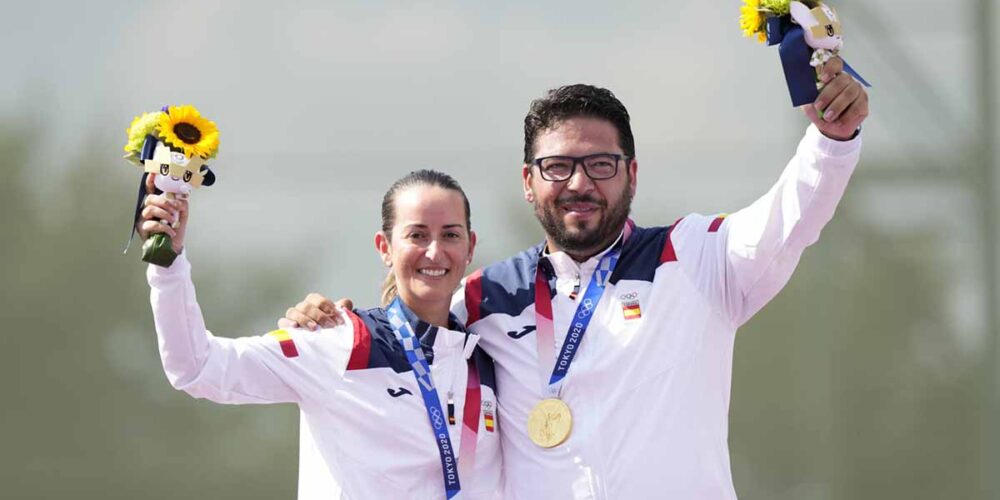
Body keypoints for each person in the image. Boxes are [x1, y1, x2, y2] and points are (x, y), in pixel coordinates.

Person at [283, 58, 869, 498]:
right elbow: (408, 322)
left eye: (601, 165)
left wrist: (832, 141)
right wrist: (327, 321)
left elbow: (795, 214)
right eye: (558, 166)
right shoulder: (485, 296)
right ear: (528, 181)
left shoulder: (695, 257)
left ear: (631, 174)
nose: (579, 184)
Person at [140, 169, 502, 499]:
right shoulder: (340, 340)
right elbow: (197, 367)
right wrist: (168, 264)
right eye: (417, 235)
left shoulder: (489, 357)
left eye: (450, 235)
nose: (435, 251)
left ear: (469, 247)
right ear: (385, 248)